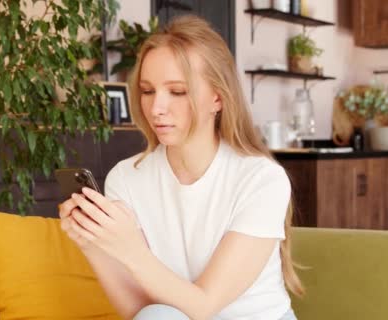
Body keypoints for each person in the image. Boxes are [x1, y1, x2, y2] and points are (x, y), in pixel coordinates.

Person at [59, 15, 303, 320]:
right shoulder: (127, 177)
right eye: (147, 91)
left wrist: (130, 249)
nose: (156, 108)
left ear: (217, 97)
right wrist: (94, 246)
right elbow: (138, 311)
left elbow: (204, 306)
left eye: (177, 91)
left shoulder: (261, 179)